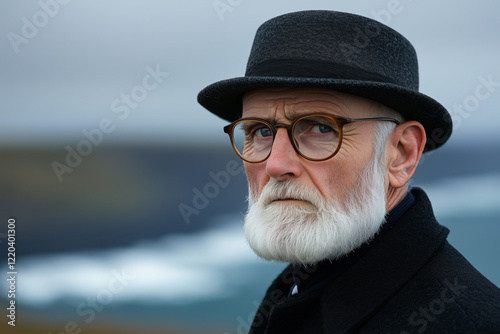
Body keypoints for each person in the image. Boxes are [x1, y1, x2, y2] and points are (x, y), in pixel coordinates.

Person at [197, 10, 500, 334]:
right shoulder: (296, 287)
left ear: (401, 155)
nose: (276, 165)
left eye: (320, 128)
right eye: (260, 131)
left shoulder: (470, 322)